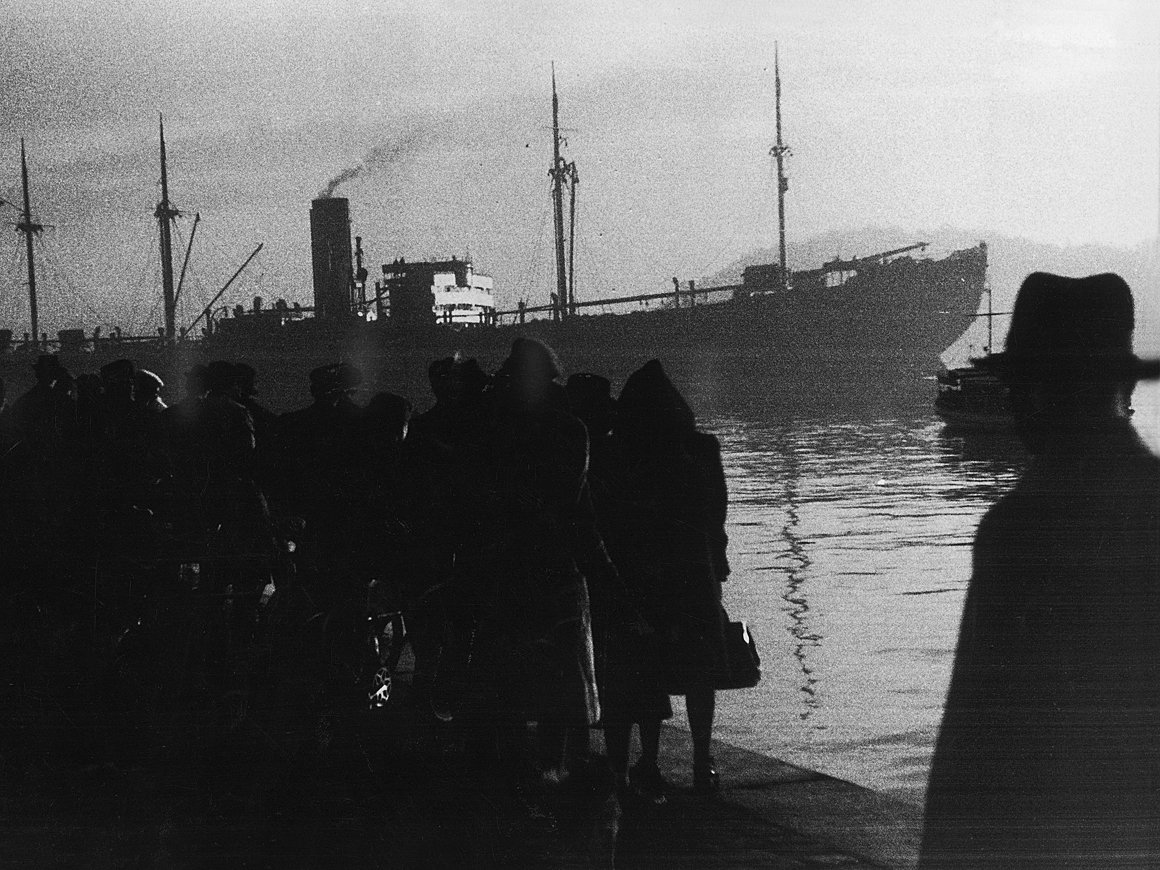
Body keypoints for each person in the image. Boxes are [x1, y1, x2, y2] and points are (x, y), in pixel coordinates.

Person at [919, 272, 1160, 868]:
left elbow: (976, 735)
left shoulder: (1022, 528)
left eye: (1018, 386)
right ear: (1125, 383)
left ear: (1035, 392)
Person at [605, 359, 730, 795]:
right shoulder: (702, 448)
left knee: (645, 670)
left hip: (644, 574)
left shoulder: (623, 451)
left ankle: (648, 761)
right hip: (695, 571)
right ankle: (702, 760)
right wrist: (718, 557)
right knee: (700, 672)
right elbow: (717, 510)